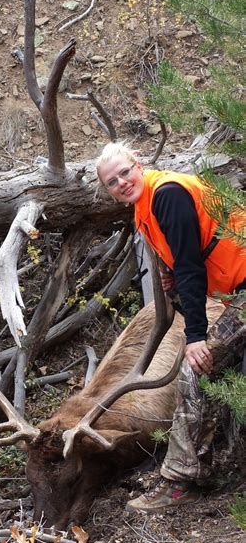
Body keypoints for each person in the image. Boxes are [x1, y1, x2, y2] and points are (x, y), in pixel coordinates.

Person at [96, 142, 245, 512]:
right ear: (110, 192)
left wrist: (195, 337)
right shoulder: (144, 211)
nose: (122, 183)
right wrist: (172, 279)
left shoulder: (167, 196)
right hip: (237, 288)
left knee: (195, 371)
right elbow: (188, 261)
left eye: (125, 173)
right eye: (112, 182)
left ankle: (179, 484)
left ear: (139, 164)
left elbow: (191, 267)